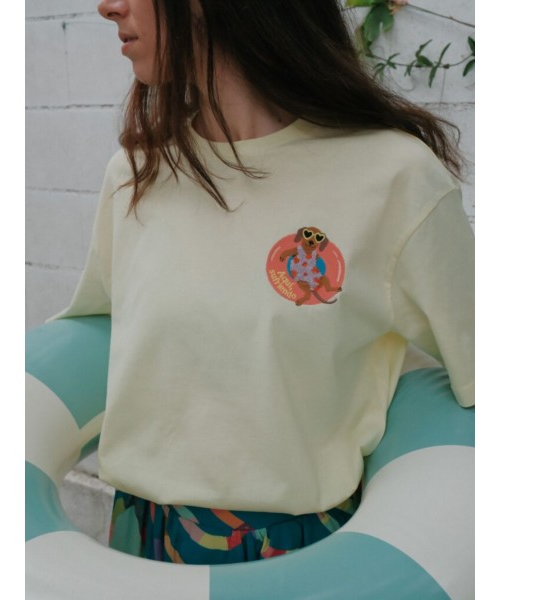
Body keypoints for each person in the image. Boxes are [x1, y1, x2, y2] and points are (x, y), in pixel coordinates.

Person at [53, 0, 474, 565]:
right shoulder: (136, 173)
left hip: (305, 554)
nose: (108, 7)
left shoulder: (395, 178)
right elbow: (100, 333)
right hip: (139, 537)